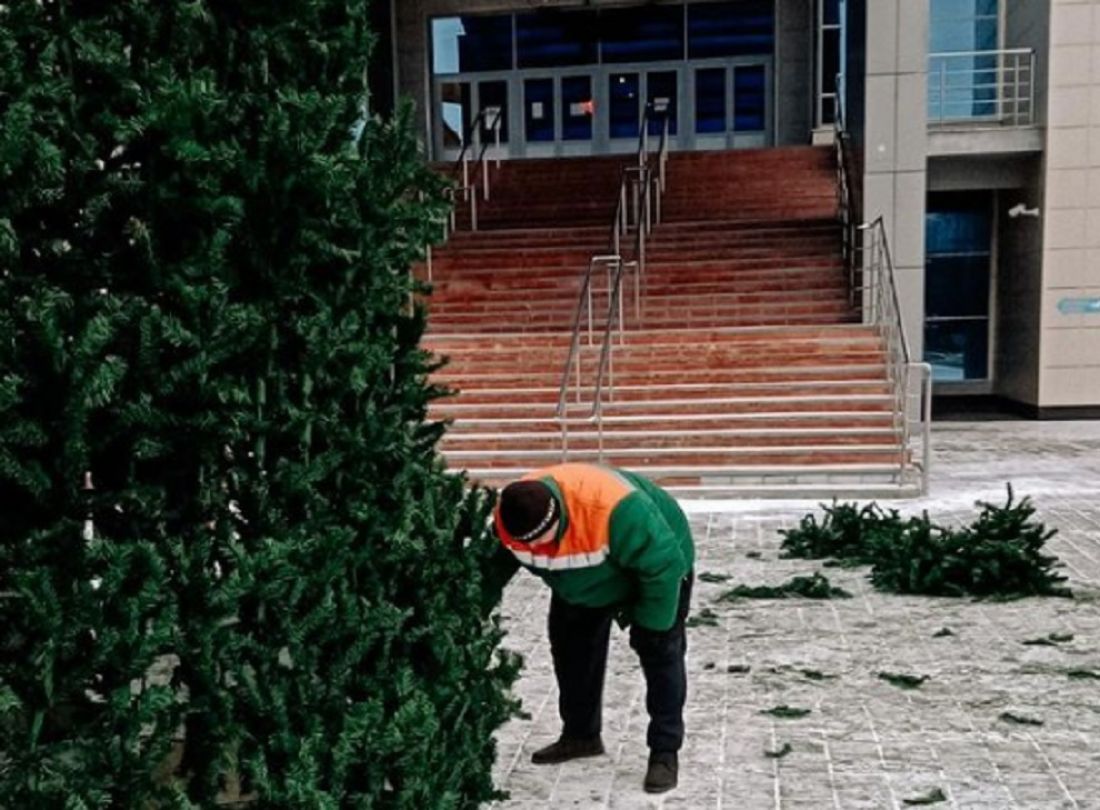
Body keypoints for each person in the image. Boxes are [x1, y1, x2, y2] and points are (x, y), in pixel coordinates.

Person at [484, 463, 695, 794]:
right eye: (527, 545)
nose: (537, 551)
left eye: (542, 540)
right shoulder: (511, 520)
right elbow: (488, 575)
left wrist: (651, 626)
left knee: (661, 652)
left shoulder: (617, 512)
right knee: (571, 648)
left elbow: (663, 567)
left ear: (558, 517)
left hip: (660, 566)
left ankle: (665, 751)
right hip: (582, 581)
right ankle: (581, 735)